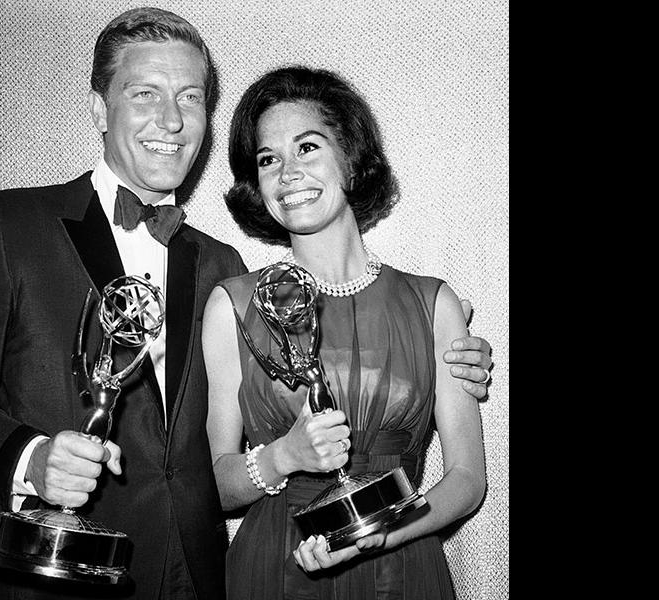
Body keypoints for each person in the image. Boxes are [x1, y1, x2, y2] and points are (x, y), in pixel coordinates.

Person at [0, 7, 492, 600]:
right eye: (145, 93)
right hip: (58, 576)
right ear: (97, 107)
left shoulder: (222, 267)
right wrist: (30, 461)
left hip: (202, 581)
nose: (170, 119)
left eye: (190, 98)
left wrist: (442, 341)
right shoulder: (7, 226)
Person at [203, 65, 487, 599]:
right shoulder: (233, 306)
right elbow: (212, 486)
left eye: (307, 147)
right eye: (268, 159)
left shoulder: (434, 304)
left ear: (351, 161)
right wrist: (283, 455)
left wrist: (382, 535)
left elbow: (468, 479)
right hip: (275, 572)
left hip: (404, 568)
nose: (287, 172)